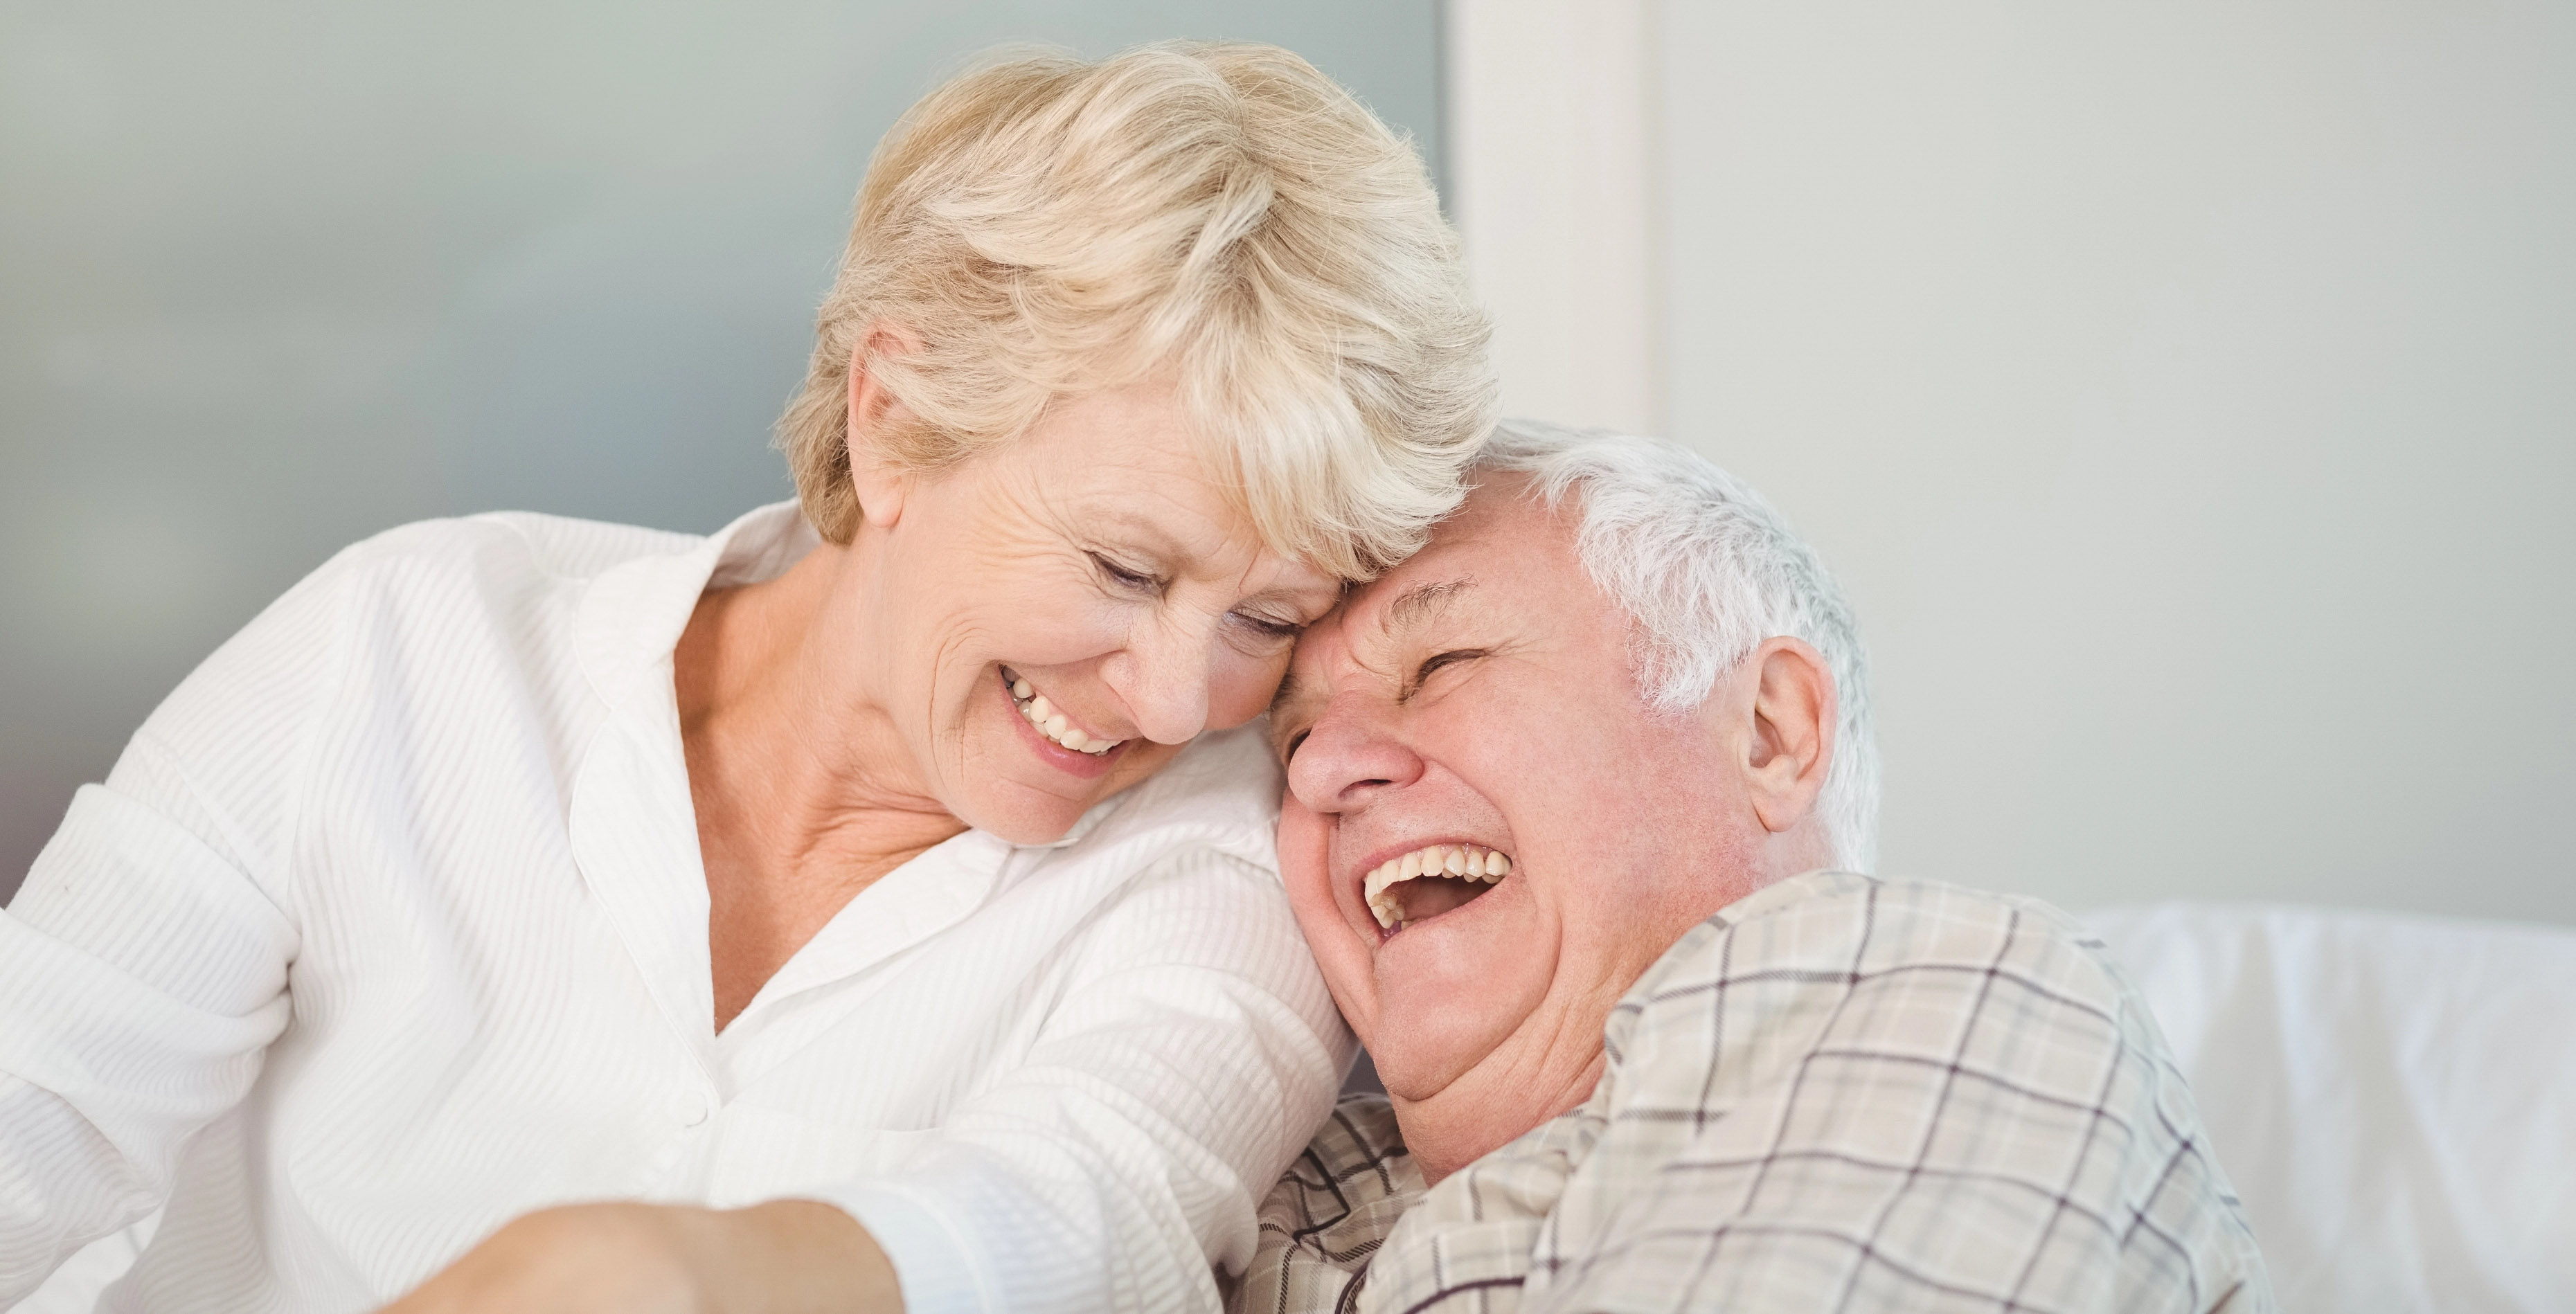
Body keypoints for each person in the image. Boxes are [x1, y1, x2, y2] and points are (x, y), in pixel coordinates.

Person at [0, 42, 1493, 1314]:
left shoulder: (1229, 858)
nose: (1178, 700)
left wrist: (668, 1277)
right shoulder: (409, 645)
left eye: (1268, 617)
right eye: (1126, 570)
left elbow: (1094, 1213)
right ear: (897, 421)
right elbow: (36, 1102)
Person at [1240, 420, 2273, 1313]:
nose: (1324, 769)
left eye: (1439, 664)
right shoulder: (1256, 1176)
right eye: (1291, 743)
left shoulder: (1954, 993)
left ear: (1771, 734)